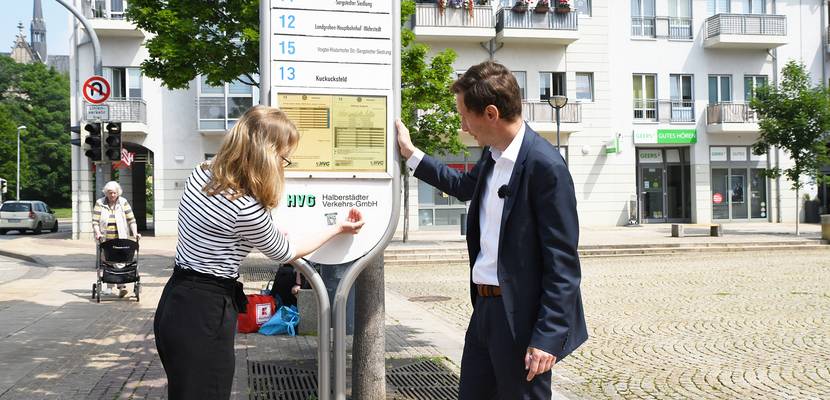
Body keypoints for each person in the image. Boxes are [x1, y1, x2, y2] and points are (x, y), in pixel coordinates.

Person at [396, 61, 587, 399]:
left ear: (491, 114)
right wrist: (412, 155)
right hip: (484, 312)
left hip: (521, 320)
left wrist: (547, 337)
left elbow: (563, 264)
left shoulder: (546, 168)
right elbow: (462, 186)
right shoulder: (492, 155)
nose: (462, 125)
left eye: (463, 115)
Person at [153, 105, 364, 399]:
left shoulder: (203, 174)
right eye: (283, 157)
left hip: (175, 302)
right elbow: (285, 251)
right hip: (206, 312)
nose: (282, 164)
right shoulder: (244, 207)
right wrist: (337, 228)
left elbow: (227, 233)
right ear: (266, 153)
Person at [92, 180, 141, 298]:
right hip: (105, 239)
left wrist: (135, 233)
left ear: (118, 192)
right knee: (108, 262)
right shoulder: (100, 203)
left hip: (121, 238)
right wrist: (98, 233)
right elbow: (95, 222)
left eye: (114, 193)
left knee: (121, 262)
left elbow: (131, 220)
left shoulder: (123, 202)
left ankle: (121, 286)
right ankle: (109, 287)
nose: (112, 195)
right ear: (106, 193)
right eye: (110, 193)